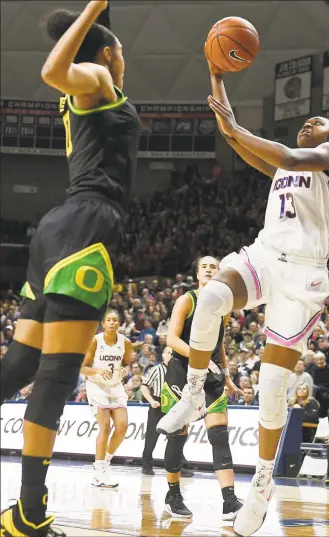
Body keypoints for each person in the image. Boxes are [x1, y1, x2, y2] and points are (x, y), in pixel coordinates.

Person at [156, 47, 329, 537]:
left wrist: (240, 126)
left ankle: (264, 480)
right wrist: (215, 73)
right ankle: (192, 392)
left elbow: (291, 154)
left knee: (273, 390)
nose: (307, 124)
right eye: (307, 121)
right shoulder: (285, 169)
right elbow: (232, 135)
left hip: (305, 277)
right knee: (209, 299)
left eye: (317, 120)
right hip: (264, 256)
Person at [0, 2, 140, 535]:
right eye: (119, 49)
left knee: (18, 369)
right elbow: (53, 72)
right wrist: (93, 9)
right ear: (107, 52)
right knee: (55, 379)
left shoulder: (100, 88)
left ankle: (27, 512)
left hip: (58, 229)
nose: (122, 59)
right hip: (88, 227)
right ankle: (29, 515)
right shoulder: (100, 77)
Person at [158, 256, 243, 520]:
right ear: (197, 274)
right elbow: (171, 339)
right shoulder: (187, 300)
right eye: (204, 266)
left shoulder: (223, 306)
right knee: (178, 434)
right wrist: (199, 359)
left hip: (213, 374)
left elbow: (218, 344)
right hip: (182, 372)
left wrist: (227, 375)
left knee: (219, 434)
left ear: (220, 274)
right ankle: (173, 496)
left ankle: (229, 501)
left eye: (213, 266)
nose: (209, 269)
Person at [81, 310, 131, 488]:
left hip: (115, 386)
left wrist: (125, 369)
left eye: (115, 320)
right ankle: (98, 470)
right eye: (108, 320)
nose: (112, 322)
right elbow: (83, 368)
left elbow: (126, 363)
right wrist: (98, 371)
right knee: (105, 426)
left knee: (123, 426)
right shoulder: (96, 341)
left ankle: (105, 462)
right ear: (103, 323)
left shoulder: (126, 342)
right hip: (97, 386)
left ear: (119, 323)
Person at [141, 345, 192, 477]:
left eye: (173, 353)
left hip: (175, 406)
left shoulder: (181, 370)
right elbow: (144, 386)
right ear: (163, 355)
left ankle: (179, 466)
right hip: (158, 405)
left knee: (177, 438)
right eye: (168, 353)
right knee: (152, 437)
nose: (170, 356)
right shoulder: (156, 369)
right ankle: (146, 465)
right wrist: (151, 401)